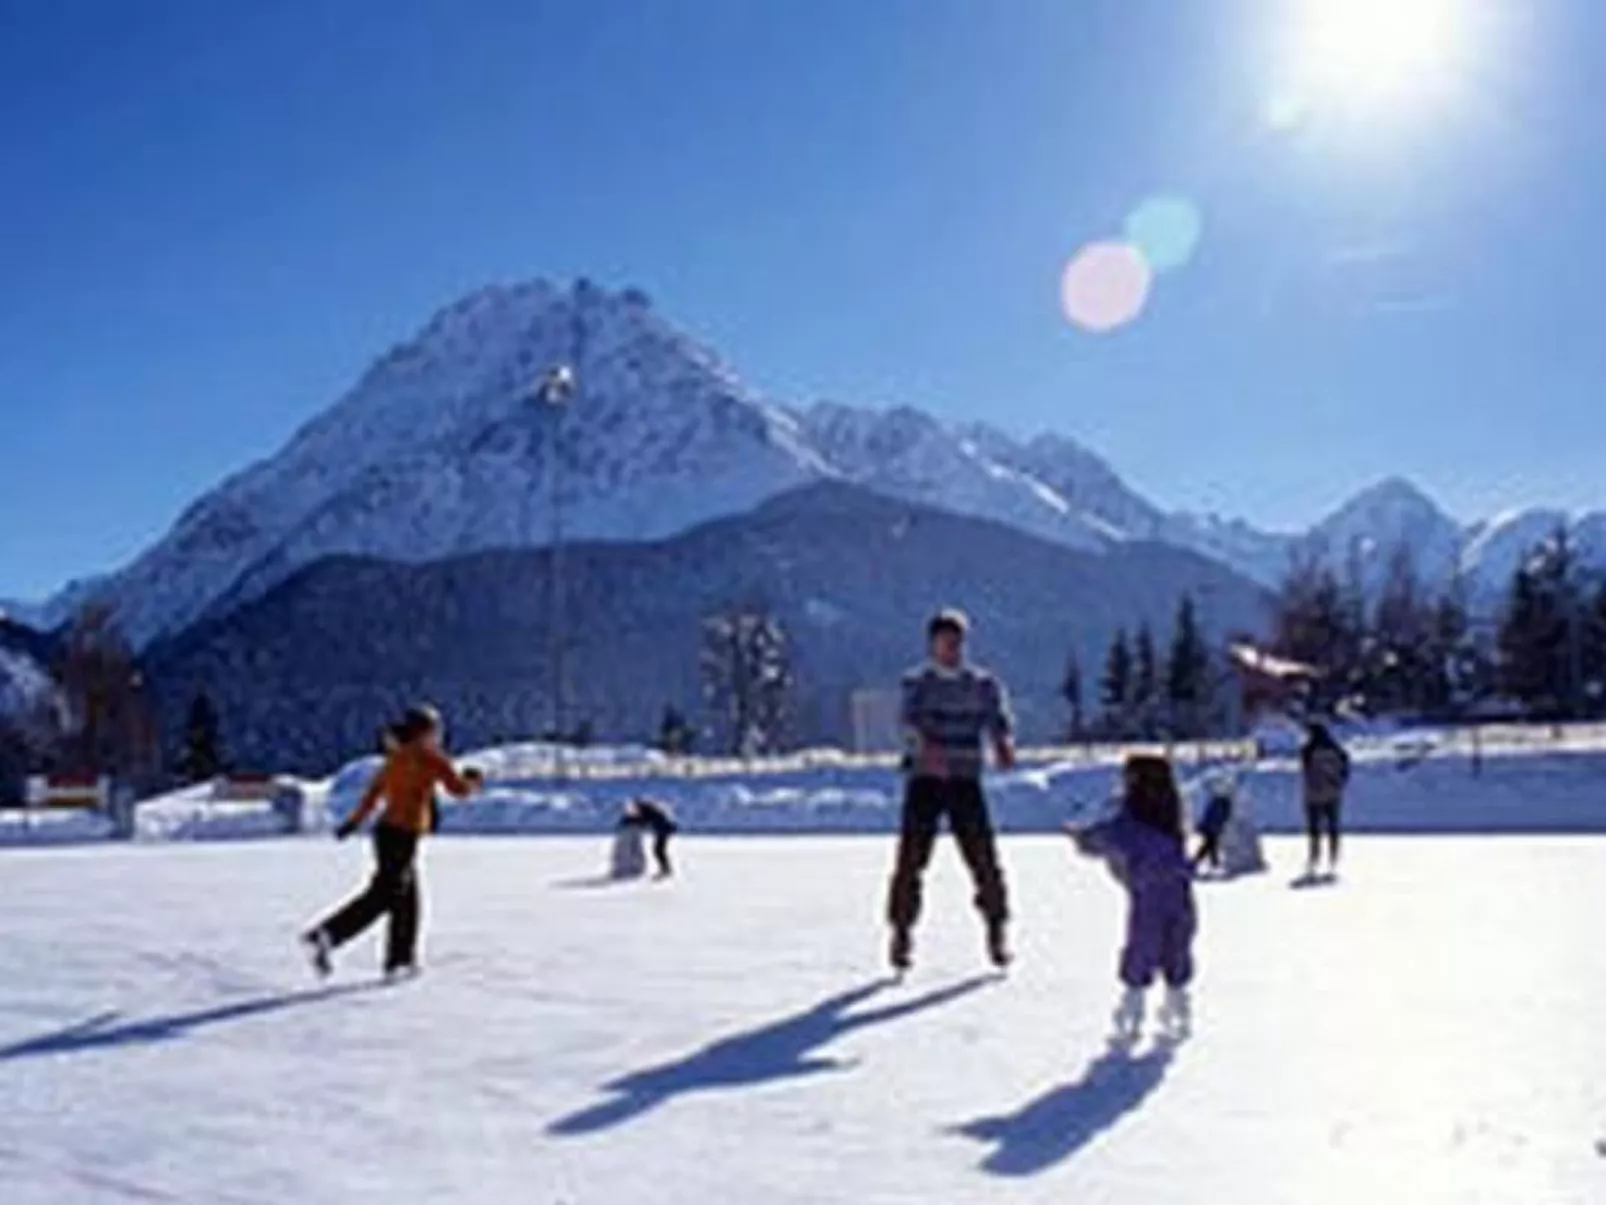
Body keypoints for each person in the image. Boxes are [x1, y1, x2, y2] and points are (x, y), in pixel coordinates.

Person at [302, 705, 483, 979]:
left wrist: (353, 822)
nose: (439, 737)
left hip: (386, 833)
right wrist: (473, 782)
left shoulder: (395, 757)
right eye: (436, 731)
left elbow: (373, 794)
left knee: (407, 900)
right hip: (402, 835)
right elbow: (456, 789)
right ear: (425, 732)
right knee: (385, 896)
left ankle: (400, 960)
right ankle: (327, 934)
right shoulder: (430, 757)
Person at [886, 608, 1016, 973]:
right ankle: (901, 932)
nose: (951, 648)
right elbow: (908, 722)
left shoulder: (983, 684)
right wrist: (926, 749)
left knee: (984, 860)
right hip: (925, 781)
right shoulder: (918, 683)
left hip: (964, 780)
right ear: (932, 644)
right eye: (944, 642)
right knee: (911, 861)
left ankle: (997, 929)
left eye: (956, 642)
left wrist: (1003, 742)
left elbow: (998, 719)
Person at [1068, 755, 1197, 1043]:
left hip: (1148, 901)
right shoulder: (1172, 823)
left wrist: (1079, 837)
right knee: (1177, 949)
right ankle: (1178, 1005)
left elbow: (1101, 840)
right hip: (1181, 897)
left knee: (1142, 949)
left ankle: (1132, 1010)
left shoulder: (1130, 825)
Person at [1300, 721, 1351, 877]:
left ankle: (1314, 858)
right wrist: (1339, 784)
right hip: (1333, 794)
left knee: (1314, 830)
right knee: (1333, 828)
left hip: (1313, 795)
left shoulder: (1307, 750)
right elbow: (1345, 770)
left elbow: (1305, 770)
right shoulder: (1337, 750)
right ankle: (1333, 859)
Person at [619, 798, 678, 878]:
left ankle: (666, 869)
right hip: (665, 827)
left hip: (664, 828)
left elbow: (641, 821)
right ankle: (666, 869)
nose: (633, 812)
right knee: (659, 850)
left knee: (658, 850)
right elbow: (640, 820)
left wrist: (627, 822)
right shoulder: (647, 808)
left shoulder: (646, 810)